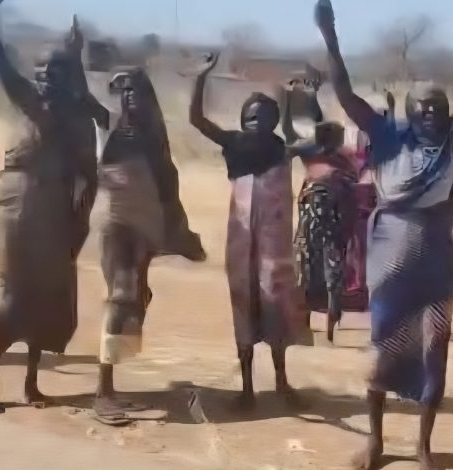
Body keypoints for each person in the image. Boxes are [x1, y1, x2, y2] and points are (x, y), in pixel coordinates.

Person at [315, 0, 453, 468]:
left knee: (434, 349)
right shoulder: (386, 137)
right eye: (422, 108)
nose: (430, 114)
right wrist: (330, 34)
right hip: (390, 257)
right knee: (383, 348)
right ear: (407, 112)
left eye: (438, 108)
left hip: (435, 260)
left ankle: (424, 446)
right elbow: (343, 92)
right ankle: (376, 442)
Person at [0, 0, 99, 415]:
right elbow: (0, 62)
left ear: (69, 76)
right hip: (17, 201)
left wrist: (80, 221)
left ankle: (31, 380)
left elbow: (89, 174)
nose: (44, 75)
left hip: (57, 209)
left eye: (54, 69)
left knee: (47, 294)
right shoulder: (28, 99)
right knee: (11, 290)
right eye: (40, 69)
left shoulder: (78, 119)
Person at [189, 54, 311, 409]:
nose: (257, 119)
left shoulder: (283, 149)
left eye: (265, 115)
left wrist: (291, 98)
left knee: (276, 308)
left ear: (274, 121)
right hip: (241, 244)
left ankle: (281, 381)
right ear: (242, 120)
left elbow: (307, 136)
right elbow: (196, 120)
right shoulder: (234, 145)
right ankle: (246, 388)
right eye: (251, 114)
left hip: (274, 249)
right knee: (243, 307)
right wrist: (201, 76)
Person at [85, 68, 205, 422]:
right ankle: (102, 392)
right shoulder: (110, 124)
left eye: (136, 90)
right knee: (120, 296)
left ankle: (110, 386)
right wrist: (77, 54)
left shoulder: (154, 137)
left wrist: (179, 232)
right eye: (125, 91)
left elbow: (167, 185)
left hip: (146, 228)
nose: (130, 96)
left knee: (136, 297)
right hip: (117, 223)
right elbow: (85, 99)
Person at [280, 82, 359, 343]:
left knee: (326, 274)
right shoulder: (317, 153)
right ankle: (310, 324)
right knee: (309, 271)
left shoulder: (337, 157)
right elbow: (289, 131)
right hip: (318, 220)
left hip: (327, 220)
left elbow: (292, 131)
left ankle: (328, 324)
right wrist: (288, 99)